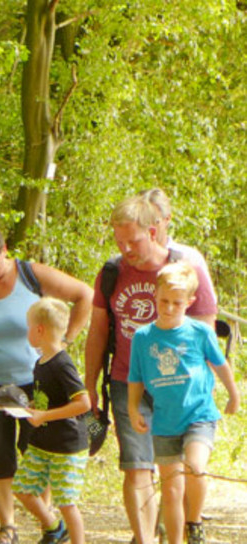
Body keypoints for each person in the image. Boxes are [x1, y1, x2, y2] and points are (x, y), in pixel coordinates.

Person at [84, 195, 217, 544]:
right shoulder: (111, 273)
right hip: (128, 381)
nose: (126, 248)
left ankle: (189, 525)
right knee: (136, 465)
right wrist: (89, 384)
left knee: (175, 471)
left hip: (179, 387)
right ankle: (143, 538)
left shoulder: (186, 271)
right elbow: (98, 331)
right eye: (119, 241)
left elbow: (206, 335)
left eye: (134, 240)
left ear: (154, 231)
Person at [0, 225, 93, 544]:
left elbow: (84, 295)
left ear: (5, 249)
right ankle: (7, 526)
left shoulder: (29, 274)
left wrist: (64, 340)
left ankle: (48, 522)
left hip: (35, 381)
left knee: (40, 449)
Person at [128, 262, 239, 544]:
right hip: (165, 421)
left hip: (199, 414)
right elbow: (136, 377)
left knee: (195, 466)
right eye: (163, 301)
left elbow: (220, 364)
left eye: (176, 303)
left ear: (189, 302)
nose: (168, 308)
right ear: (154, 295)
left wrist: (233, 393)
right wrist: (132, 408)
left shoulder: (199, 332)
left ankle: (195, 521)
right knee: (172, 490)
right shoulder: (142, 338)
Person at [13, 297, 92, 544]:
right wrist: (34, 407)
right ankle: (55, 528)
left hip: (67, 446)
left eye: (28, 327)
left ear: (39, 330)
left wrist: (45, 416)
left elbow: (83, 403)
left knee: (67, 502)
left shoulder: (62, 363)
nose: (27, 332)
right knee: (22, 488)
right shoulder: (40, 363)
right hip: (42, 442)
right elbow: (51, 398)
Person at [139, 188, 216, 295]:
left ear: (167, 219)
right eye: (141, 221)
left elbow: (206, 309)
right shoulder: (126, 261)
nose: (148, 227)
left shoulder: (189, 259)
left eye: (154, 221)